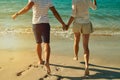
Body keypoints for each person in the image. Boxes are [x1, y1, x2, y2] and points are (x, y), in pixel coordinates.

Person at [12, 0, 66, 74]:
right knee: (46, 43)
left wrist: (17, 14)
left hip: (36, 24)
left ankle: (40, 60)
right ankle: (47, 62)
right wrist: (63, 23)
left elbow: (26, 8)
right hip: (45, 24)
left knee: (38, 43)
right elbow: (55, 12)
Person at [67, 0, 97, 76]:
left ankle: (76, 56)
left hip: (77, 24)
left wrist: (67, 25)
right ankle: (86, 66)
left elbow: (73, 15)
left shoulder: (75, 0)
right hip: (86, 23)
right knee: (86, 46)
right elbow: (94, 7)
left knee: (76, 40)